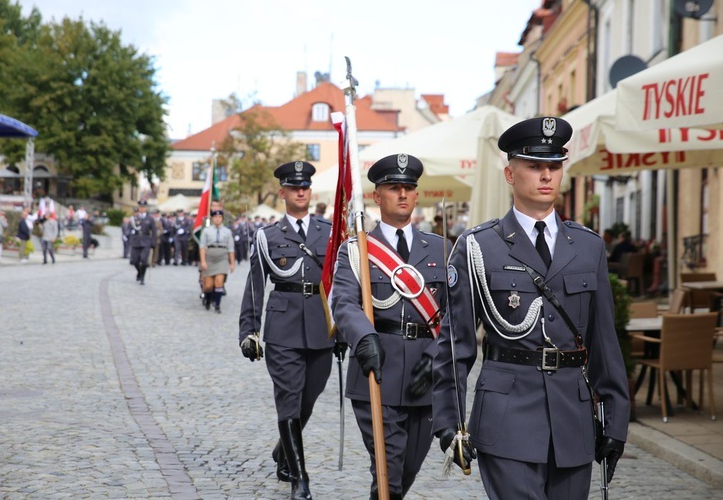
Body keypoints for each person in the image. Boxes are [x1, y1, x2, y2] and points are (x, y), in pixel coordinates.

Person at [432, 116, 630, 499]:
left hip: (573, 422)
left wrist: (615, 422)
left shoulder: (588, 247)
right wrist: (449, 423)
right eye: (534, 166)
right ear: (510, 173)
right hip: (507, 418)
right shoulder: (478, 247)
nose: (546, 175)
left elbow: (605, 344)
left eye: (554, 166)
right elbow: (454, 347)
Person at [330, 153, 446, 499]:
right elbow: (344, 302)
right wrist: (364, 337)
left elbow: (456, 312)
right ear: (377, 196)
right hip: (377, 371)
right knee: (389, 472)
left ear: (416, 194)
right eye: (394, 188)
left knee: (406, 470)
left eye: (409, 188)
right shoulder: (357, 249)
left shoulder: (441, 249)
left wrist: (437, 354)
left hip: (425, 377)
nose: (403, 194)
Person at [238, 161, 334, 500]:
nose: (301, 190)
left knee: (308, 399)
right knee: (289, 400)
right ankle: (300, 478)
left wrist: (346, 329)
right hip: (282, 328)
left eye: (305, 185)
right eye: (294, 187)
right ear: (283, 193)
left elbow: (343, 283)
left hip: (322, 328)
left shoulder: (329, 231)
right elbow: (255, 286)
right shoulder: (268, 237)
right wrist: (249, 331)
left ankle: (283, 450)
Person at [199, 209, 236, 313]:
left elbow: (231, 248)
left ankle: (217, 305)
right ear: (212, 218)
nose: (217, 219)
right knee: (208, 286)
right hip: (210, 256)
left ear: (222, 219)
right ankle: (208, 299)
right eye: (215, 217)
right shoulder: (206, 231)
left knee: (219, 282)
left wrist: (232, 263)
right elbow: (202, 247)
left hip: (222, 257)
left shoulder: (227, 232)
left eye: (219, 217)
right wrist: (203, 261)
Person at [129, 200, 157, 285]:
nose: (141, 208)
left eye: (143, 207)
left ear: (146, 208)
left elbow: (154, 231)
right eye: (140, 207)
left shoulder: (150, 219)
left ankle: (142, 278)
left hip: (146, 241)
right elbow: (129, 228)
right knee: (134, 260)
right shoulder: (135, 218)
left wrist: (153, 242)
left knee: (144, 260)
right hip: (136, 241)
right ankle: (139, 272)